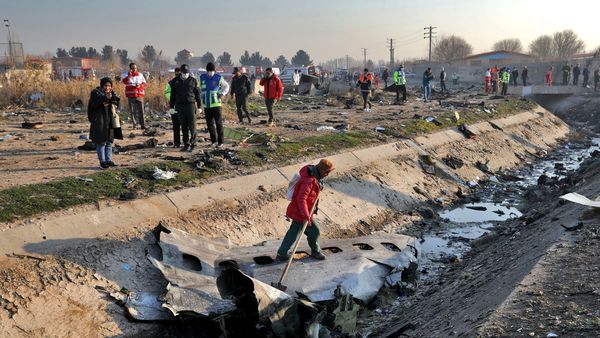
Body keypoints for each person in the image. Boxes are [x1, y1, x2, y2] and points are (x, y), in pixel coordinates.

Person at [276, 159, 335, 262]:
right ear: (321, 171)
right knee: (313, 231)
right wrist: (305, 216)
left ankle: (282, 254)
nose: (327, 174)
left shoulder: (313, 176)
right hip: (301, 212)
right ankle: (315, 252)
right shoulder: (308, 181)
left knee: (294, 233)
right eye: (327, 172)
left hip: (304, 211)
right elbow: (301, 199)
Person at [88, 77, 122, 169]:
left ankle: (109, 160)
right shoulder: (96, 93)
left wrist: (114, 97)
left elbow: (117, 104)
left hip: (110, 120)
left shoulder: (111, 93)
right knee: (101, 142)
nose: (108, 87)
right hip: (99, 121)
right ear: (102, 85)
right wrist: (104, 97)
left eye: (109, 86)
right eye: (106, 85)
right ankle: (102, 162)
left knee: (109, 142)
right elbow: (94, 104)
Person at [169, 64, 201, 152]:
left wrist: (199, 106)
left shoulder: (193, 81)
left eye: (187, 72)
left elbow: (197, 94)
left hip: (190, 105)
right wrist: (171, 107)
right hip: (180, 106)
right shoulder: (175, 81)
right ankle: (186, 144)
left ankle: (193, 143)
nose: (185, 74)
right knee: (184, 126)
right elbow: (172, 96)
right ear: (181, 72)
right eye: (184, 73)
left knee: (192, 126)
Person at [200, 62, 230, 148]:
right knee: (210, 125)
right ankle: (214, 141)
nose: (210, 72)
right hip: (207, 105)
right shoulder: (202, 78)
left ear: (214, 70)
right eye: (208, 71)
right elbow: (201, 90)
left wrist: (222, 93)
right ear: (206, 70)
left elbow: (226, 86)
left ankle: (221, 142)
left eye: (211, 70)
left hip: (216, 104)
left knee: (218, 123)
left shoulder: (218, 78)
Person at [122, 62, 147, 130]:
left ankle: (143, 125)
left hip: (139, 95)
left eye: (135, 68)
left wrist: (140, 85)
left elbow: (144, 84)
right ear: (130, 69)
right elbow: (125, 82)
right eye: (133, 68)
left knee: (141, 110)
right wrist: (129, 75)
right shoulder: (125, 75)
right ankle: (135, 125)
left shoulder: (140, 75)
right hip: (131, 95)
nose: (134, 70)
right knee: (133, 111)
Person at [165, 67, 181, 147]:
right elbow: (167, 92)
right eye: (176, 73)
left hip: (183, 108)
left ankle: (186, 142)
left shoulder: (185, 82)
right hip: (174, 108)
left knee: (185, 127)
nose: (177, 74)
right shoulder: (171, 83)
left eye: (179, 73)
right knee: (176, 126)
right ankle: (177, 142)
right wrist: (173, 98)